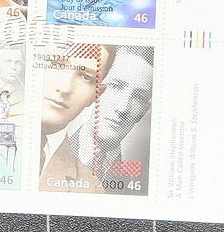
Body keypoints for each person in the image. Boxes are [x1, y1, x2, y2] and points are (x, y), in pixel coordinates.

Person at [72, 47, 154, 183]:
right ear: (95, 89)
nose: (123, 108)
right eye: (116, 86)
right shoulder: (48, 154)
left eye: (138, 97)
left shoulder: (136, 183)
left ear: (143, 112)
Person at [38, 44, 114, 191]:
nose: (65, 88)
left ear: (96, 95)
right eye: (55, 63)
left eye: (86, 77)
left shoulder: (92, 189)